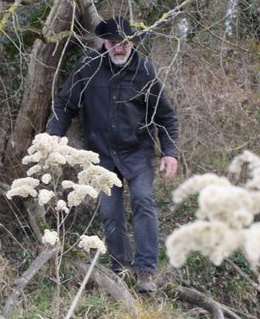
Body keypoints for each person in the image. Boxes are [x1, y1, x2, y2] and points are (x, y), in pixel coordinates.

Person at [46, 16, 179, 292]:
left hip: (138, 152)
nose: (118, 48)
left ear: (131, 42)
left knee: (143, 202)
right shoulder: (88, 68)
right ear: (104, 43)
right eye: (112, 43)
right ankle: (121, 268)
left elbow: (165, 116)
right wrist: (55, 132)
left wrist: (169, 152)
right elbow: (65, 103)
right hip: (102, 155)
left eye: (124, 43)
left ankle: (145, 273)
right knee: (111, 213)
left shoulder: (144, 69)